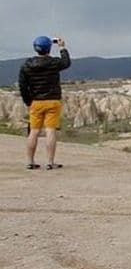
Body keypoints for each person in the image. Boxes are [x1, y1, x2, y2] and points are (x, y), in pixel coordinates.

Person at [18, 36, 72, 170]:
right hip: (52, 101)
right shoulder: (53, 63)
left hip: (36, 102)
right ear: (49, 48)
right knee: (50, 131)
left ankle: (30, 161)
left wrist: (28, 101)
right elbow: (66, 63)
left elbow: (22, 85)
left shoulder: (27, 65)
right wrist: (62, 47)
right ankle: (50, 162)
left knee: (34, 132)